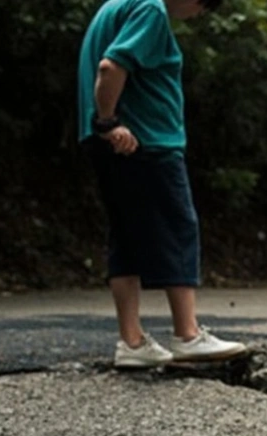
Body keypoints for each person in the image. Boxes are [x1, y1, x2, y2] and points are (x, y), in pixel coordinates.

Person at [77, 0, 246, 368]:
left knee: (125, 235)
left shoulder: (115, 5)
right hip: (145, 141)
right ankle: (187, 334)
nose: (200, 14)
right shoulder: (151, 9)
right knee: (178, 226)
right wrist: (108, 121)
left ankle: (132, 342)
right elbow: (111, 66)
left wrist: (101, 127)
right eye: (205, 6)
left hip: (109, 143)